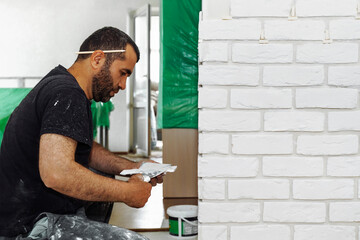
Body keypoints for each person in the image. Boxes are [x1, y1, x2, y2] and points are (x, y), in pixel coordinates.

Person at [0, 27, 162, 239]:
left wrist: (131, 167)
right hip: (27, 226)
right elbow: (57, 173)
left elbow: (83, 148)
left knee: (102, 174)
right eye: (123, 73)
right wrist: (127, 193)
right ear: (97, 59)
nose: (123, 85)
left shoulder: (63, 84)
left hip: (27, 214)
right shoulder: (67, 94)